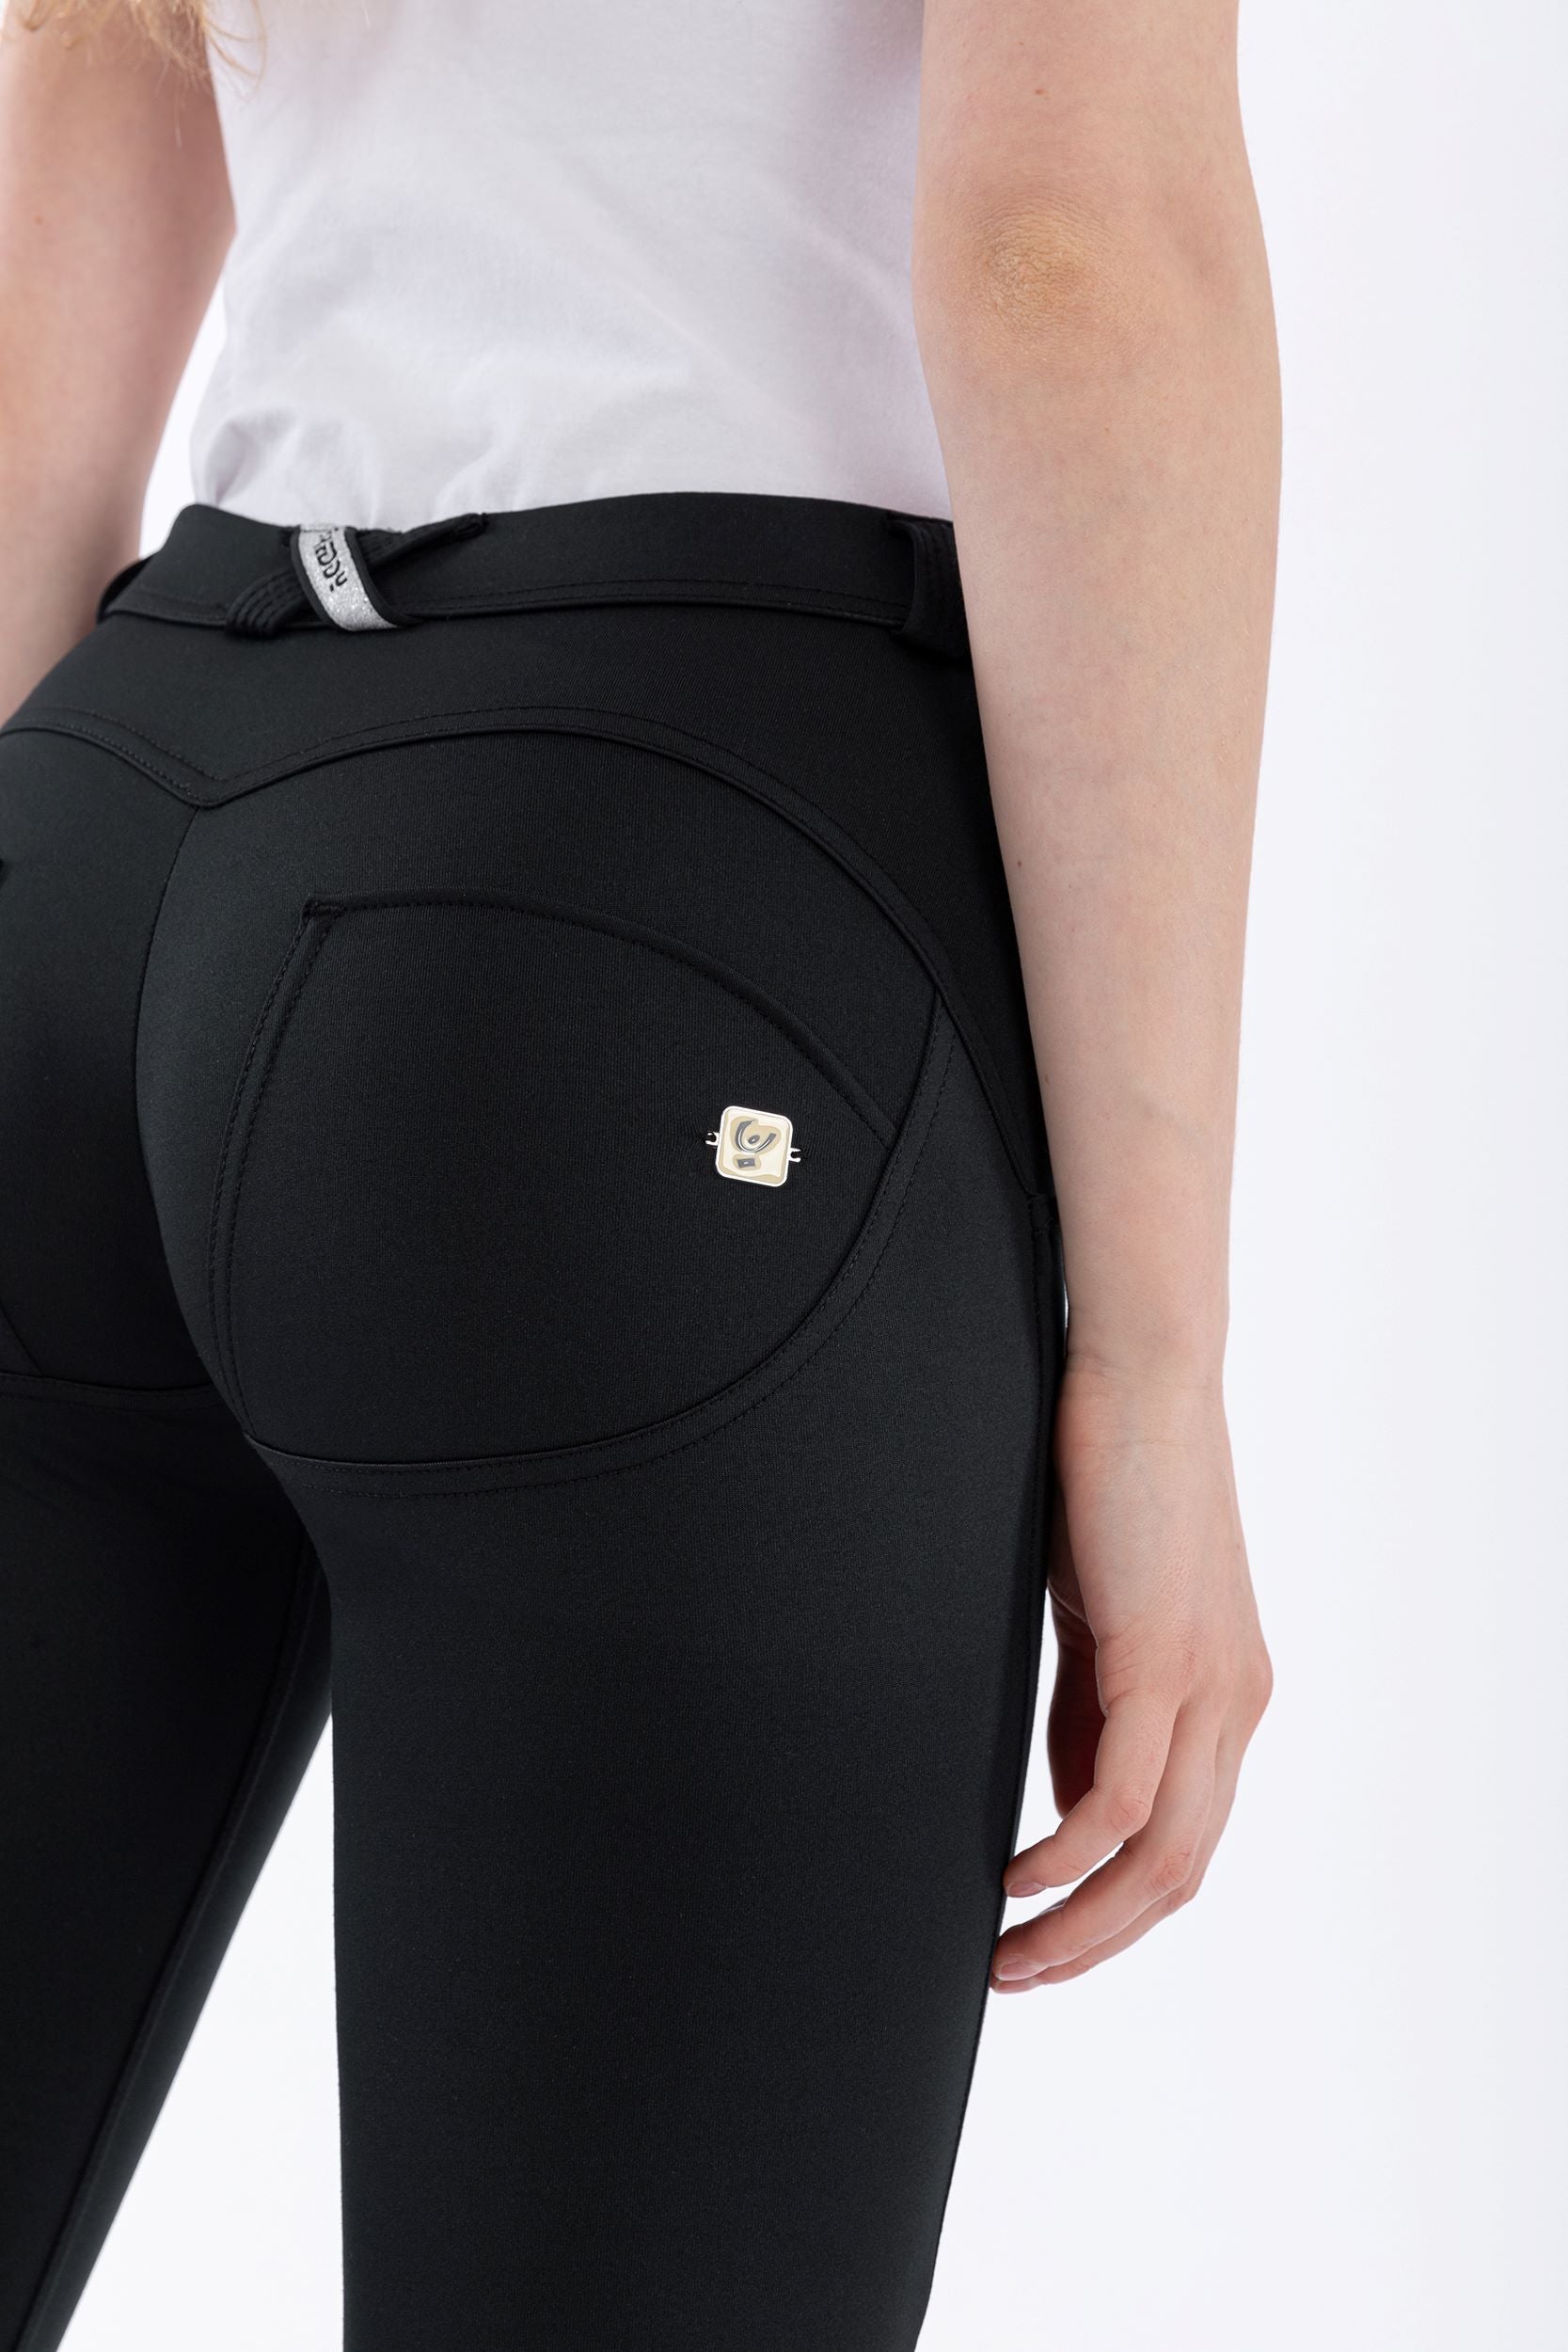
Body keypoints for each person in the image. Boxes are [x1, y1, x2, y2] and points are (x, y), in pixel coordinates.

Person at [0, 2, 1276, 2345]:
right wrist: (1157, 1357)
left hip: (103, 819)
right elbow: (1072, 244)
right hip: (655, 901)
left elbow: (98, 67)